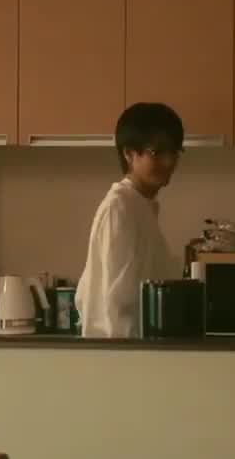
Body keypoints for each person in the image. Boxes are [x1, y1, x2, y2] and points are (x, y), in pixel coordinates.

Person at [74, 103, 184, 338]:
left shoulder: (142, 205)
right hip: (120, 350)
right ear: (129, 154)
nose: (169, 161)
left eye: (174, 151)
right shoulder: (119, 207)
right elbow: (118, 302)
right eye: (158, 152)